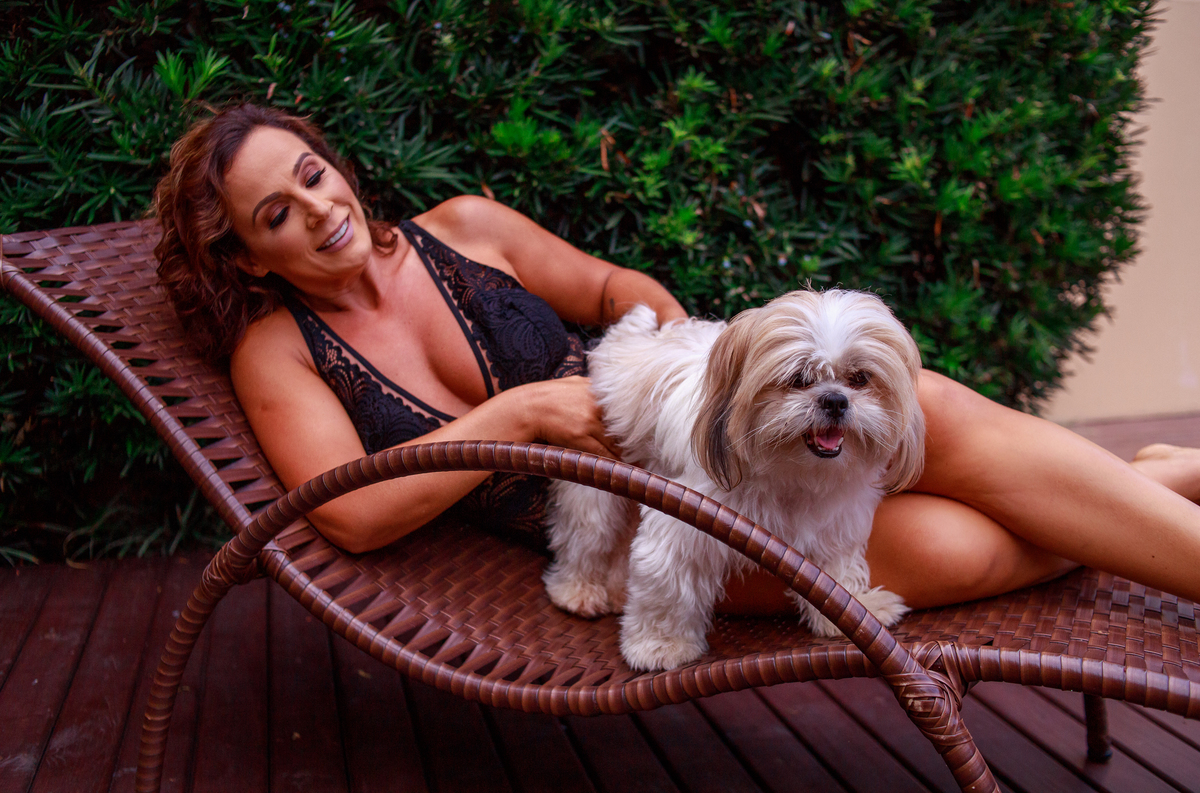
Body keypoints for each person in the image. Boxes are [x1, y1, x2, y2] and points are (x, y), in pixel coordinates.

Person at [154, 103, 1200, 616]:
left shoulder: (465, 227)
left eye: (313, 174)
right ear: (244, 254)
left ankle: (1157, 515)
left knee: (935, 407)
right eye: (276, 213)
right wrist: (520, 417)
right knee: (951, 551)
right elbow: (347, 512)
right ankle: (1147, 481)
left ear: (334, 165)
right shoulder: (278, 351)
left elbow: (618, 290)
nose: (320, 210)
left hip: (690, 428)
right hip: (631, 531)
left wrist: (678, 353)